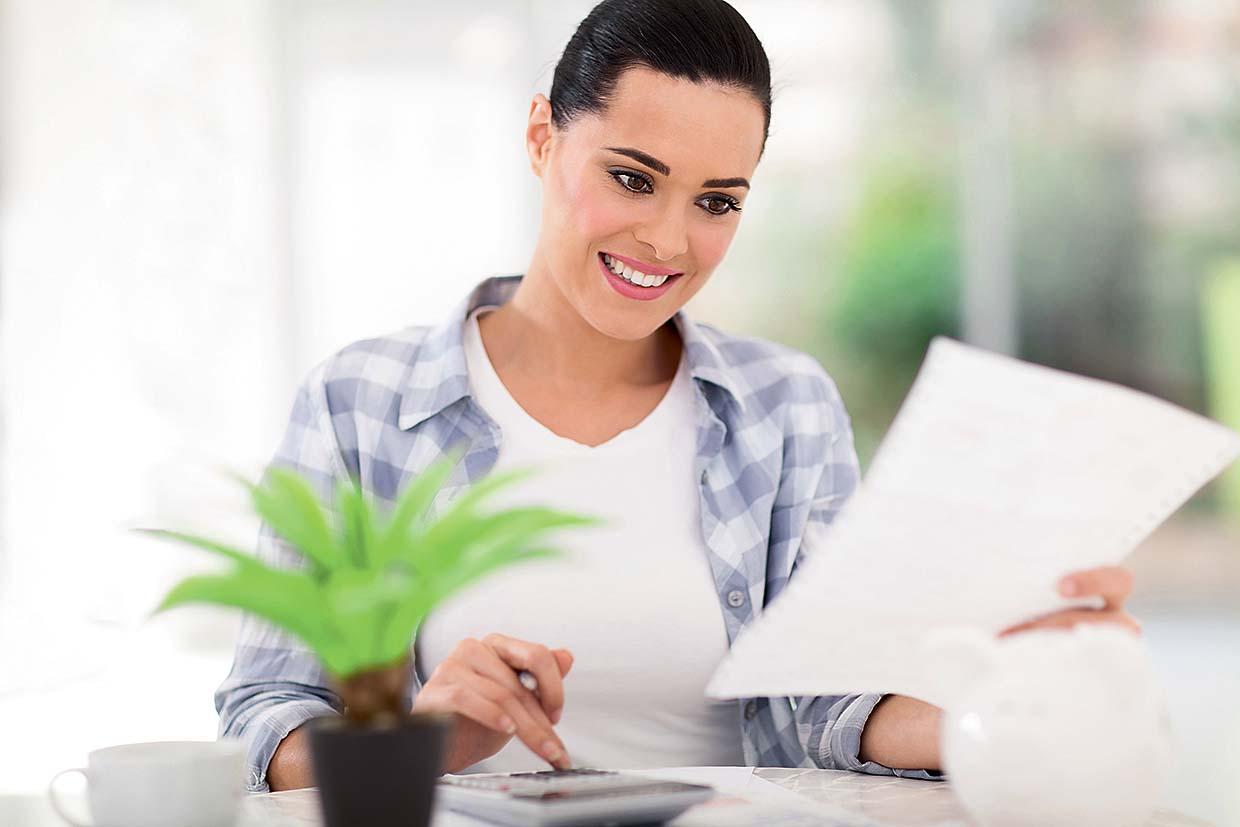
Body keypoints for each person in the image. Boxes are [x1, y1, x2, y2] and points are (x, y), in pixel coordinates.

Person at [216, 0, 1141, 793]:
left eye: (717, 201)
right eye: (632, 178)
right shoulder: (362, 403)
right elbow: (265, 718)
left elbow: (829, 704)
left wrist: (995, 696)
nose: (666, 240)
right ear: (541, 137)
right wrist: (418, 744)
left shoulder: (787, 408)